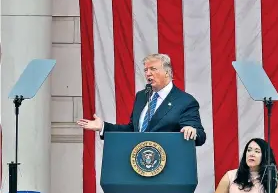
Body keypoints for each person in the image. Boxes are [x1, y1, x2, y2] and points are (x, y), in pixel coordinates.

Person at [76, 53, 206, 145]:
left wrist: (191, 130)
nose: (148, 73)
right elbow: (133, 130)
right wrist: (103, 127)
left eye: (153, 69)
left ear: (167, 72)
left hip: (167, 168)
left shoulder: (185, 101)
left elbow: (200, 135)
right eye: (146, 70)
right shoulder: (142, 96)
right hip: (138, 164)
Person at [207, 138, 278, 193]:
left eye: (257, 151)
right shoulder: (230, 176)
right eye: (249, 150)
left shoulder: (271, 178)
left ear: (265, 156)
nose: (251, 154)